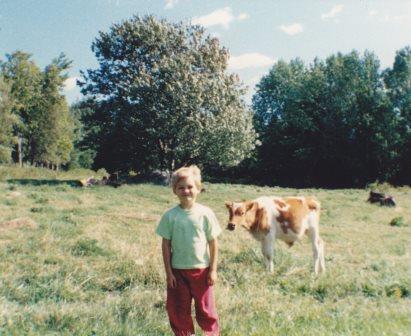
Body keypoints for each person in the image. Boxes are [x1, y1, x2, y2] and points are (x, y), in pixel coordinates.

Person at [156, 165, 222, 336]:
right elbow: (165, 245)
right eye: (181, 187)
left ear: (198, 188)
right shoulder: (170, 216)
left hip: (202, 271)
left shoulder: (205, 213)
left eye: (190, 186)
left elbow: (213, 243)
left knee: (206, 309)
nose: (186, 191)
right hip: (178, 272)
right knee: (178, 309)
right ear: (174, 190)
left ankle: (211, 333)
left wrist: (213, 270)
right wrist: (169, 273)